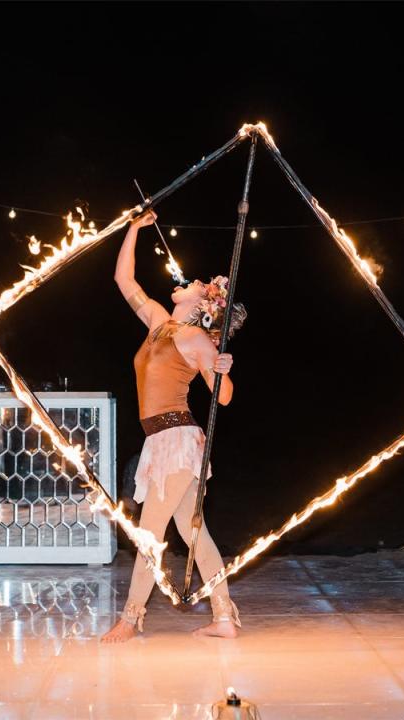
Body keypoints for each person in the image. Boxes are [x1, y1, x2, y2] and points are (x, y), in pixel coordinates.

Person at [101, 209, 246, 643]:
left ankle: (130, 618)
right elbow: (124, 282)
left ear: (203, 307)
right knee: (191, 530)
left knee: (151, 530)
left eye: (200, 286)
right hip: (161, 439)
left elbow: (223, 396)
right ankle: (223, 616)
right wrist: (132, 230)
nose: (191, 282)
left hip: (178, 440)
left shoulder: (197, 340)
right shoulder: (159, 322)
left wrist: (221, 367)